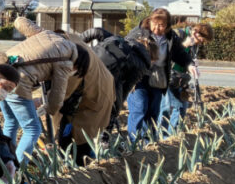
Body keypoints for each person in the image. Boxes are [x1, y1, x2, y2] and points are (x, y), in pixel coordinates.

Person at [0, 21, 84, 164]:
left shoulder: (45, 34)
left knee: (11, 121)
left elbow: (19, 21)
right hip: (18, 82)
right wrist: (50, 109)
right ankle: (17, 171)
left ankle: (5, 163)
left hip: (0, 71)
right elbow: (57, 94)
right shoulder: (67, 60)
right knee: (33, 129)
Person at [125, 8, 197, 141]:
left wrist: (190, 64)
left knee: (153, 112)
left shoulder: (170, 36)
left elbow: (179, 53)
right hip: (139, 78)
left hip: (158, 79)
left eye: (161, 25)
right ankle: (133, 143)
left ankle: (148, 143)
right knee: (139, 108)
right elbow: (126, 49)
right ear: (150, 21)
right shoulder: (139, 33)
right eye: (155, 24)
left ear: (167, 25)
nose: (157, 28)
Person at [79, 26, 159, 131]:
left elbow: (96, 31)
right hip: (101, 85)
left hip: (83, 68)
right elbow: (125, 89)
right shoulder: (142, 64)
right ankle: (103, 137)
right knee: (101, 119)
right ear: (151, 56)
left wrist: (76, 44)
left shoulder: (119, 40)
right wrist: (115, 112)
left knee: (72, 109)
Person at [160, 23, 213, 132]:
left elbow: (186, 59)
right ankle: (162, 136)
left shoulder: (194, 44)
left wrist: (192, 65)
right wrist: (184, 45)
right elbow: (165, 54)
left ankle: (172, 136)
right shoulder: (177, 35)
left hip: (180, 79)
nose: (201, 43)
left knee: (181, 108)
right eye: (202, 40)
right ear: (196, 33)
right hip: (167, 77)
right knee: (167, 109)